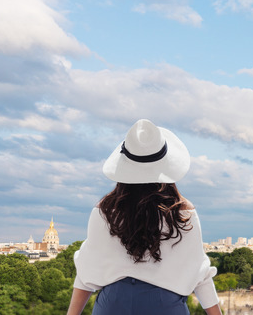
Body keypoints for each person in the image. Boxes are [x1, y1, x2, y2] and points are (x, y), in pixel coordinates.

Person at [67, 119, 222, 315]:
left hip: (112, 305)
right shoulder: (183, 213)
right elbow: (200, 274)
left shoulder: (104, 211)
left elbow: (87, 271)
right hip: (165, 306)